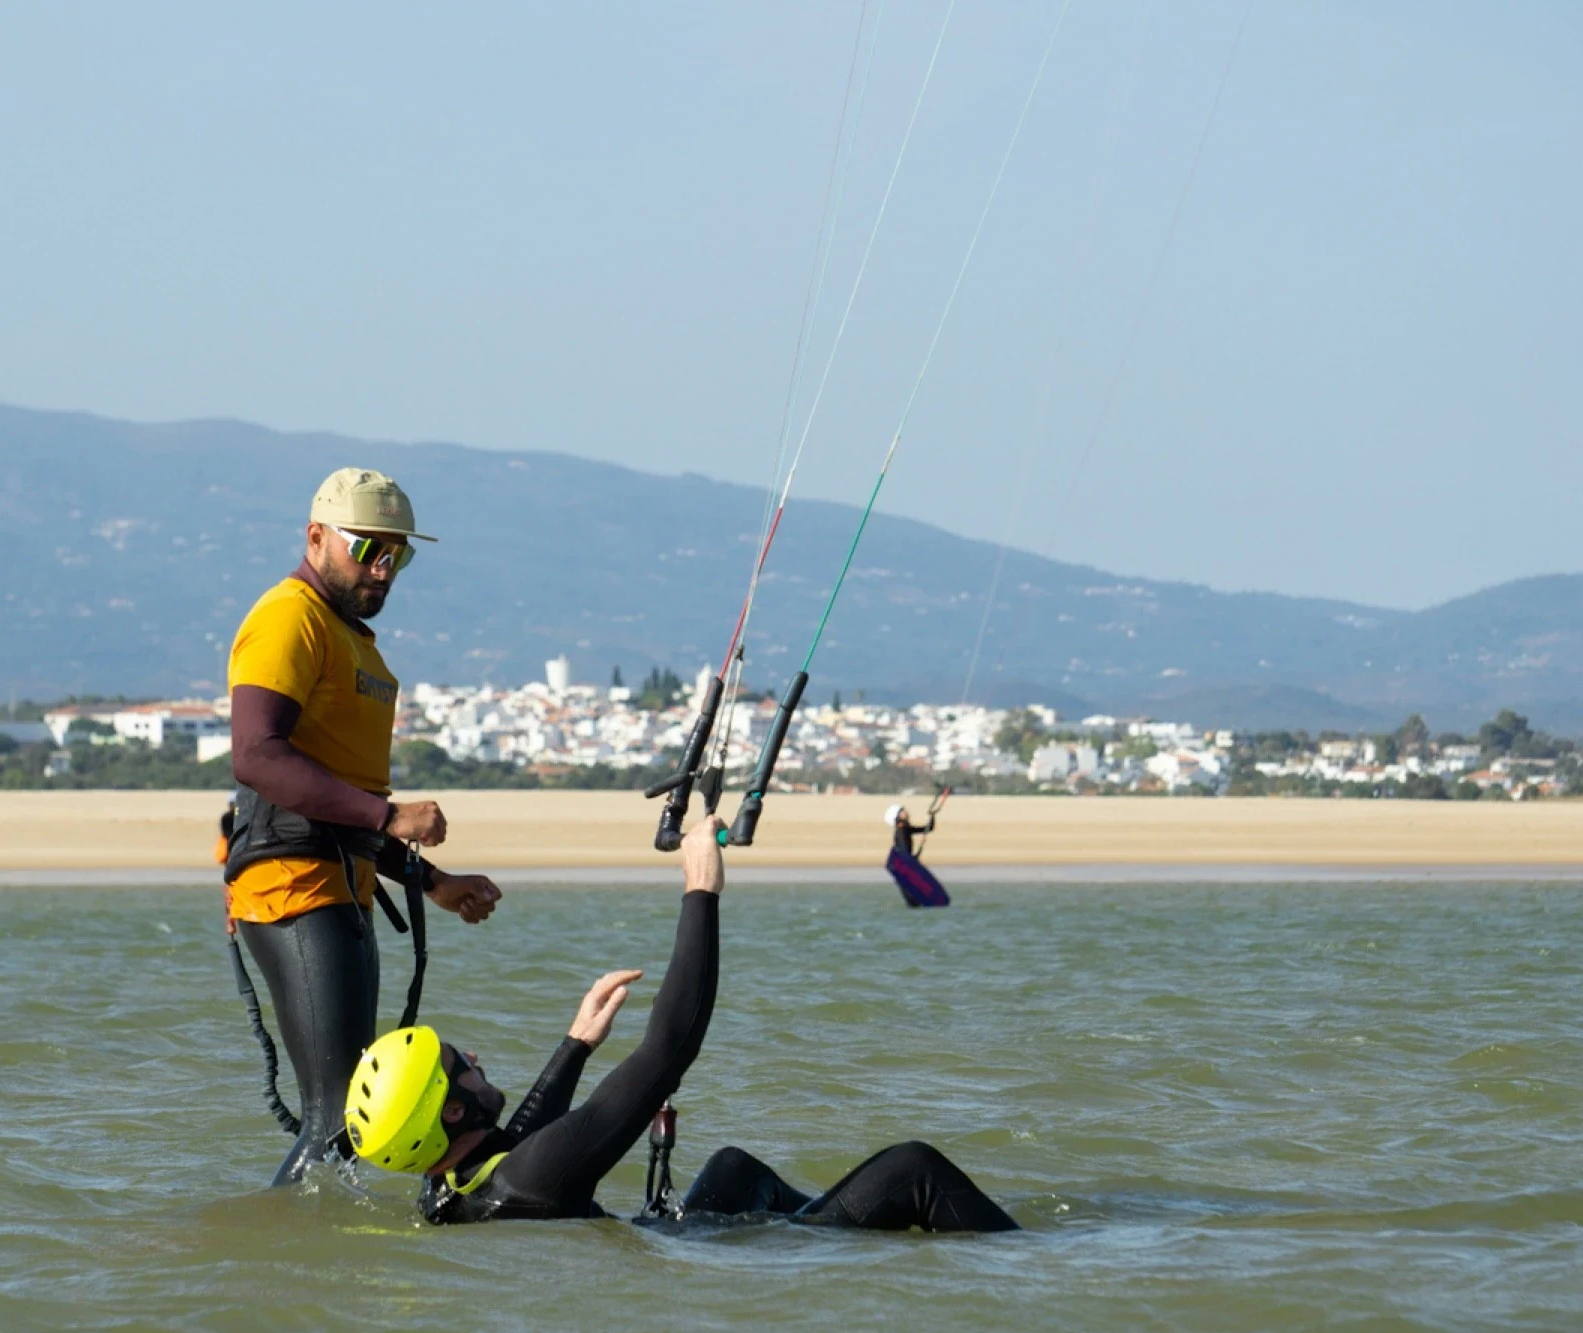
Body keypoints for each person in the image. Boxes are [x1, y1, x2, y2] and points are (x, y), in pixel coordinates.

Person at [342, 814, 1016, 1233]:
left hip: (684, 1238)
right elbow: (669, 1050)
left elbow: (512, 1147)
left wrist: (578, 1044)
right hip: (705, 1263)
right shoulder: (532, 1177)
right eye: (459, 1064)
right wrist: (702, 888)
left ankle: (830, 1237)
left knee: (732, 1170)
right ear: (451, 1111)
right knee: (912, 1168)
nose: (473, 1057)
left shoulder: (443, 1188)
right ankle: (1031, 1261)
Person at [227, 467, 503, 1185]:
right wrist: (391, 814)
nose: (383, 568)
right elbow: (256, 755)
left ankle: (316, 1245)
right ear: (316, 537)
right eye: (368, 549)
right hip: (291, 889)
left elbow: (339, 804)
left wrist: (432, 882)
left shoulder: (352, 639)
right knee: (336, 1120)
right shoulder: (289, 617)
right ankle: (282, 1244)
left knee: (349, 1115)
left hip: (340, 884)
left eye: (398, 555)